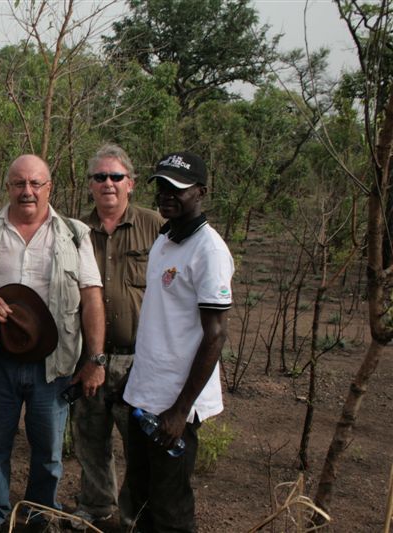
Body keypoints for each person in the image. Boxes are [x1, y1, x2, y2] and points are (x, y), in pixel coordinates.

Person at [0, 155, 106, 533]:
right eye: (19, 183)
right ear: (8, 187)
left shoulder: (74, 233)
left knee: (49, 452)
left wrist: (95, 359)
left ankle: (40, 514)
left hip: (53, 364)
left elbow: (91, 297)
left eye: (35, 184)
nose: (27, 191)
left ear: (48, 188)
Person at [123, 152, 233, 532]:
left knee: (171, 509)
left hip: (175, 404)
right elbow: (161, 319)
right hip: (145, 393)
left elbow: (215, 335)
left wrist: (181, 409)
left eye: (179, 188)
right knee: (140, 497)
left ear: (201, 191)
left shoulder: (210, 250)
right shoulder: (165, 240)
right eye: (162, 186)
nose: (167, 194)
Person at [70, 144, 164, 530]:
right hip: (89, 357)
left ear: (131, 183)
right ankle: (96, 509)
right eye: (99, 177)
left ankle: (136, 514)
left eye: (115, 177)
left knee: (140, 445)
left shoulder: (156, 226)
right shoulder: (75, 231)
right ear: (89, 184)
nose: (107, 184)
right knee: (90, 441)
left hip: (139, 358)